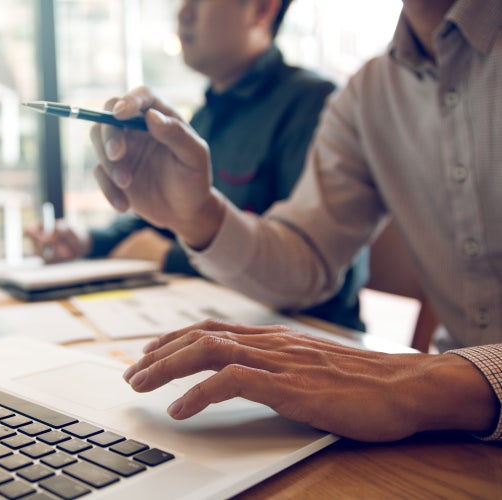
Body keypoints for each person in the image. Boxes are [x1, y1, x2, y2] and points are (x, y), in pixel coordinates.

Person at [89, 0, 502, 442]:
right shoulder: (369, 93)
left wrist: (432, 382)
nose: (182, 11)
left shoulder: (313, 96)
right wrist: (199, 216)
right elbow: (305, 260)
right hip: (463, 438)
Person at [27, 0, 368, 331]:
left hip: (310, 340)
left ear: (262, 8)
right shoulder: (208, 114)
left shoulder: (314, 107)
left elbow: (316, 273)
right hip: (219, 322)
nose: (183, 11)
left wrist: (169, 257)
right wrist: (86, 241)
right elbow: (165, 222)